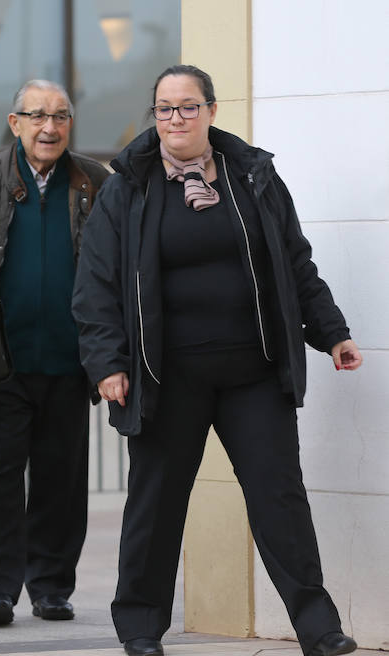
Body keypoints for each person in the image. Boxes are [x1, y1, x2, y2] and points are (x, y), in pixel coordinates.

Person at [72, 64, 362, 656]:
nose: (174, 119)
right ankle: (139, 628)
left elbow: (294, 261)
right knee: (155, 504)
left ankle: (318, 628)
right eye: (163, 109)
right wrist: (107, 362)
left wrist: (331, 332)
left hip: (252, 373)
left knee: (279, 498)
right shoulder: (129, 185)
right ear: (154, 116)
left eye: (186, 106)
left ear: (210, 110)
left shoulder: (251, 175)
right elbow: (95, 284)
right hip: (166, 376)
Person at [0, 79, 109, 625]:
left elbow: (114, 271)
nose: (50, 127)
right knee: (3, 472)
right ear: (14, 122)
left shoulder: (94, 180)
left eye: (61, 116)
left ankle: (51, 587)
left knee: (61, 478)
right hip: (3, 362)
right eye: (38, 115)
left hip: (72, 361)